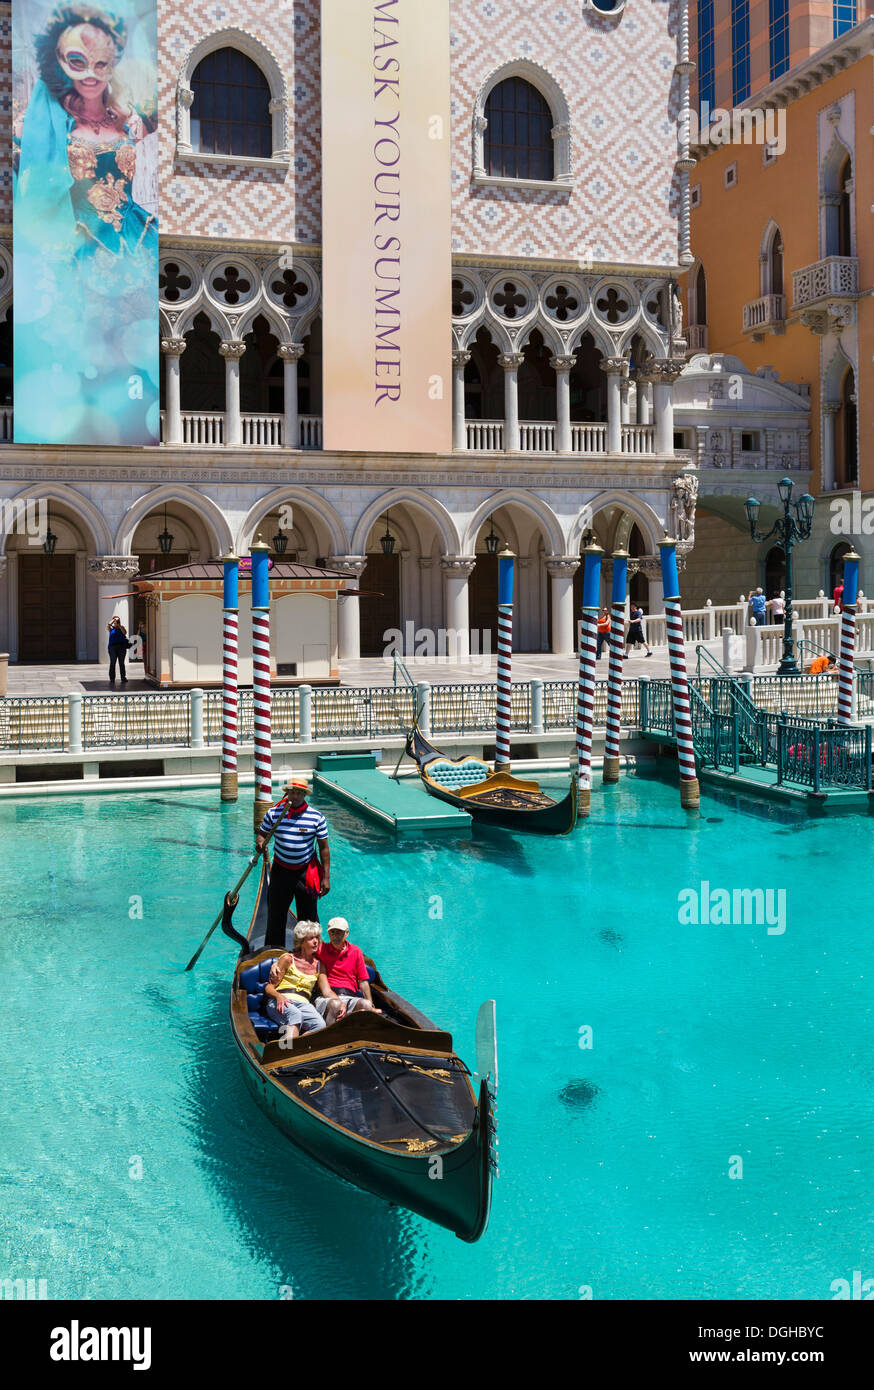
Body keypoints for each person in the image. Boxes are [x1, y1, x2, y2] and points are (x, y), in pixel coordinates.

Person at [13, 5, 159, 445]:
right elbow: (37, 191)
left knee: (128, 354)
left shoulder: (130, 120)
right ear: (57, 60)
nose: (91, 74)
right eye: (77, 62)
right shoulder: (42, 123)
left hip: (134, 253)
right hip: (77, 251)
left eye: (102, 63)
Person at [256, 775, 331, 949]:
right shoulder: (274, 813)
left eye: (299, 793)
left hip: (306, 873)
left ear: (304, 795)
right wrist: (260, 844)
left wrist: (326, 878)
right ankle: (274, 952)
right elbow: (262, 835)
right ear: (287, 793)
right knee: (276, 914)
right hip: (281, 871)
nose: (295, 796)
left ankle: (310, 952)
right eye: (292, 792)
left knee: (309, 917)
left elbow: (324, 849)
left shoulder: (317, 817)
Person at [263, 921, 345, 1041]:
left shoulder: (319, 965)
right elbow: (269, 987)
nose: (316, 941)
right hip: (281, 1001)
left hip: (304, 1004)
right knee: (295, 1014)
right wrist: (278, 996)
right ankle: (288, 1051)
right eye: (311, 938)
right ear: (301, 942)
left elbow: (327, 991)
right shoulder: (287, 959)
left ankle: (298, 1048)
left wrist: (340, 1002)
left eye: (317, 937)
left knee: (320, 1025)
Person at [317, 918, 379, 1013]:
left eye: (339, 932)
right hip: (328, 997)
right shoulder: (322, 950)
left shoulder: (356, 951)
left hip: (350, 997)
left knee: (366, 1005)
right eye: (332, 932)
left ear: (347, 933)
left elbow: (363, 982)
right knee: (336, 1005)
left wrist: (371, 1005)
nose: (335, 936)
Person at [107, 615, 131, 685]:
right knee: (112, 663)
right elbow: (108, 625)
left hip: (121, 647)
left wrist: (119, 624)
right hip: (112, 648)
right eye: (114, 621)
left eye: (117, 621)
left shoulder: (121, 627)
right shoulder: (111, 628)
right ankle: (112, 678)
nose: (115, 622)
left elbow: (124, 632)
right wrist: (114, 620)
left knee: (121, 663)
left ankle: (123, 677)